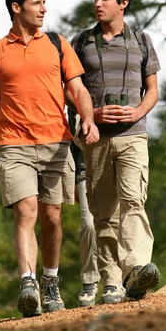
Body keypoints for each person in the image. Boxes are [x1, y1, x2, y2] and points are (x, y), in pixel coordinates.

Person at [0, 0, 99, 319]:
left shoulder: (58, 44)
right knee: (26, 212)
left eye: (45, 2)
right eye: (37, 3)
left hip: (56, 142)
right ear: (17, 8)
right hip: (14, 145)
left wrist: (87, 119)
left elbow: (76, 89)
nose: (44, 8)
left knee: (52, 217)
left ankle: (50, 280)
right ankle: (28, 282)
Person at [70, 0, 161, 305]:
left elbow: (152, 91)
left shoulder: (141, 40)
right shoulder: (80, 43)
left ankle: (136, 268)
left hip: (134, 136)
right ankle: (111, 281)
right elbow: (70, 90)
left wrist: (138, 113)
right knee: (104, 213)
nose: (97, 3)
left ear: (123, 3)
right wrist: (90, 115)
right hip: (95, 139)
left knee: (133, 200)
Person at [68, 109, 100, 307]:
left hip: (113, 165)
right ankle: (90, 281)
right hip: (82, 169)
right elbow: (70, 136)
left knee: (116, 223)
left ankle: (121, 279)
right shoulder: (73, 89)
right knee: (89, 224)